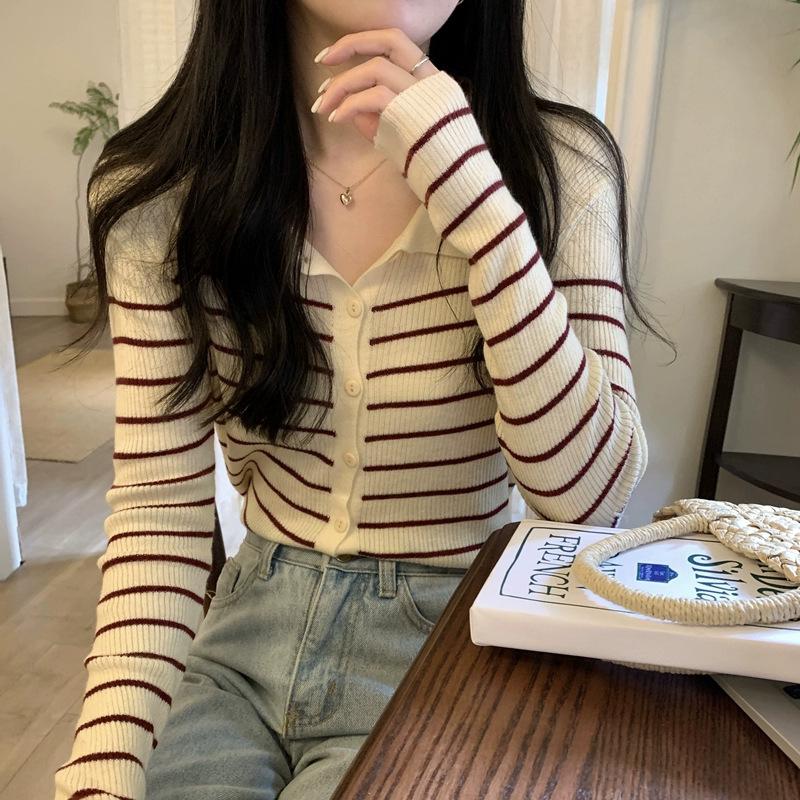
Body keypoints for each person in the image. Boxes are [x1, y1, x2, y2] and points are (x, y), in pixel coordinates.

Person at [54, 1, 673, 798]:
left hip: (449, 646)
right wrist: (103, 769)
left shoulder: (562, 166)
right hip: (238, 646)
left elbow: (587, 498)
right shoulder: (158, 190)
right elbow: (158, 511)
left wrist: (480, 202)